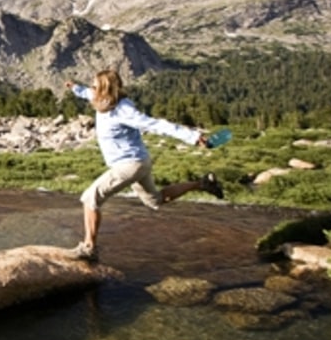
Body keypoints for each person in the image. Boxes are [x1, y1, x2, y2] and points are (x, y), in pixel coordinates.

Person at [65, 69, 224, 261]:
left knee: (90, 198)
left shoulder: (124, 110)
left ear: (105, 88)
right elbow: (86, 93)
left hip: (130, 164)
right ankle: (202, 183)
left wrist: (192, 136)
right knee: (155, 201)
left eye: (95, 85)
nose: (92, 88)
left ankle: (89, 248)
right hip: (140, 161)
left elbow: (156, 124)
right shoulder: (100, 99)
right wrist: (74, 87)